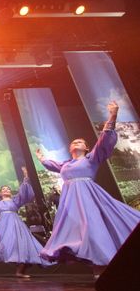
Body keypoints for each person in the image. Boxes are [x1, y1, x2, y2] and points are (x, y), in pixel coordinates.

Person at [35, 101, 140, 277]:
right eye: (73, 142)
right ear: (70, 148)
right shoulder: (65, 165)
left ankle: (101, 267)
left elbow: (104, 141)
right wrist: (41, 159)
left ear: (87, 148)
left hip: (87, 197)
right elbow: (51, 165)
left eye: (80, 142)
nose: (76, 143)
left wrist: (112, 115)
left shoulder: (91, 158)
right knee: (77, 232)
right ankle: (95, 265)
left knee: (92, 228)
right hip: (70, 203)